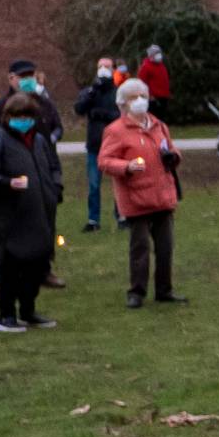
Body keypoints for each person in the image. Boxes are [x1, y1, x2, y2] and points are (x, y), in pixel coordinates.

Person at [0, 91, 60, 334]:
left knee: (36, 261)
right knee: (10, 265)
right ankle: (6, 314)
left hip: (40, 210)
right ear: (8, 117)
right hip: (10, 213)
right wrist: (8, 183)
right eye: (18, 115)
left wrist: (55, 188)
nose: (24, 120)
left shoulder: (40, 141)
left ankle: (28, 309)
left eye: (28, 115)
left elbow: (53, 166)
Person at [98, 79, 185, 310]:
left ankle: (164, 290)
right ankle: (136, 291)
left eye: (142, 96)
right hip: (136, 198)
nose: (139, 101)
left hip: (162, 195)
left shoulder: (159, 126)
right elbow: (104, 161)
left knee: (165, 247)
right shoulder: (115, 130)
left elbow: (171, 149)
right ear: (123, 104)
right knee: (140, 249)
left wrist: (174, 157)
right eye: (133, 97)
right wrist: (126, 167)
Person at [75, 57, 122, 233]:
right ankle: (93, 219)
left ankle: (122, 216)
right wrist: (92, 92)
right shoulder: (90, 91)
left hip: (115, 145)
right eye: (100, 66)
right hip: (94, 145)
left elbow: (121, 115)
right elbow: (79, 109)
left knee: (119, 182)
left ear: (113, 69)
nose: (103, 69)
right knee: (94, 185)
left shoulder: (117, 92)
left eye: (107, 66)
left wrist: (101, 114)